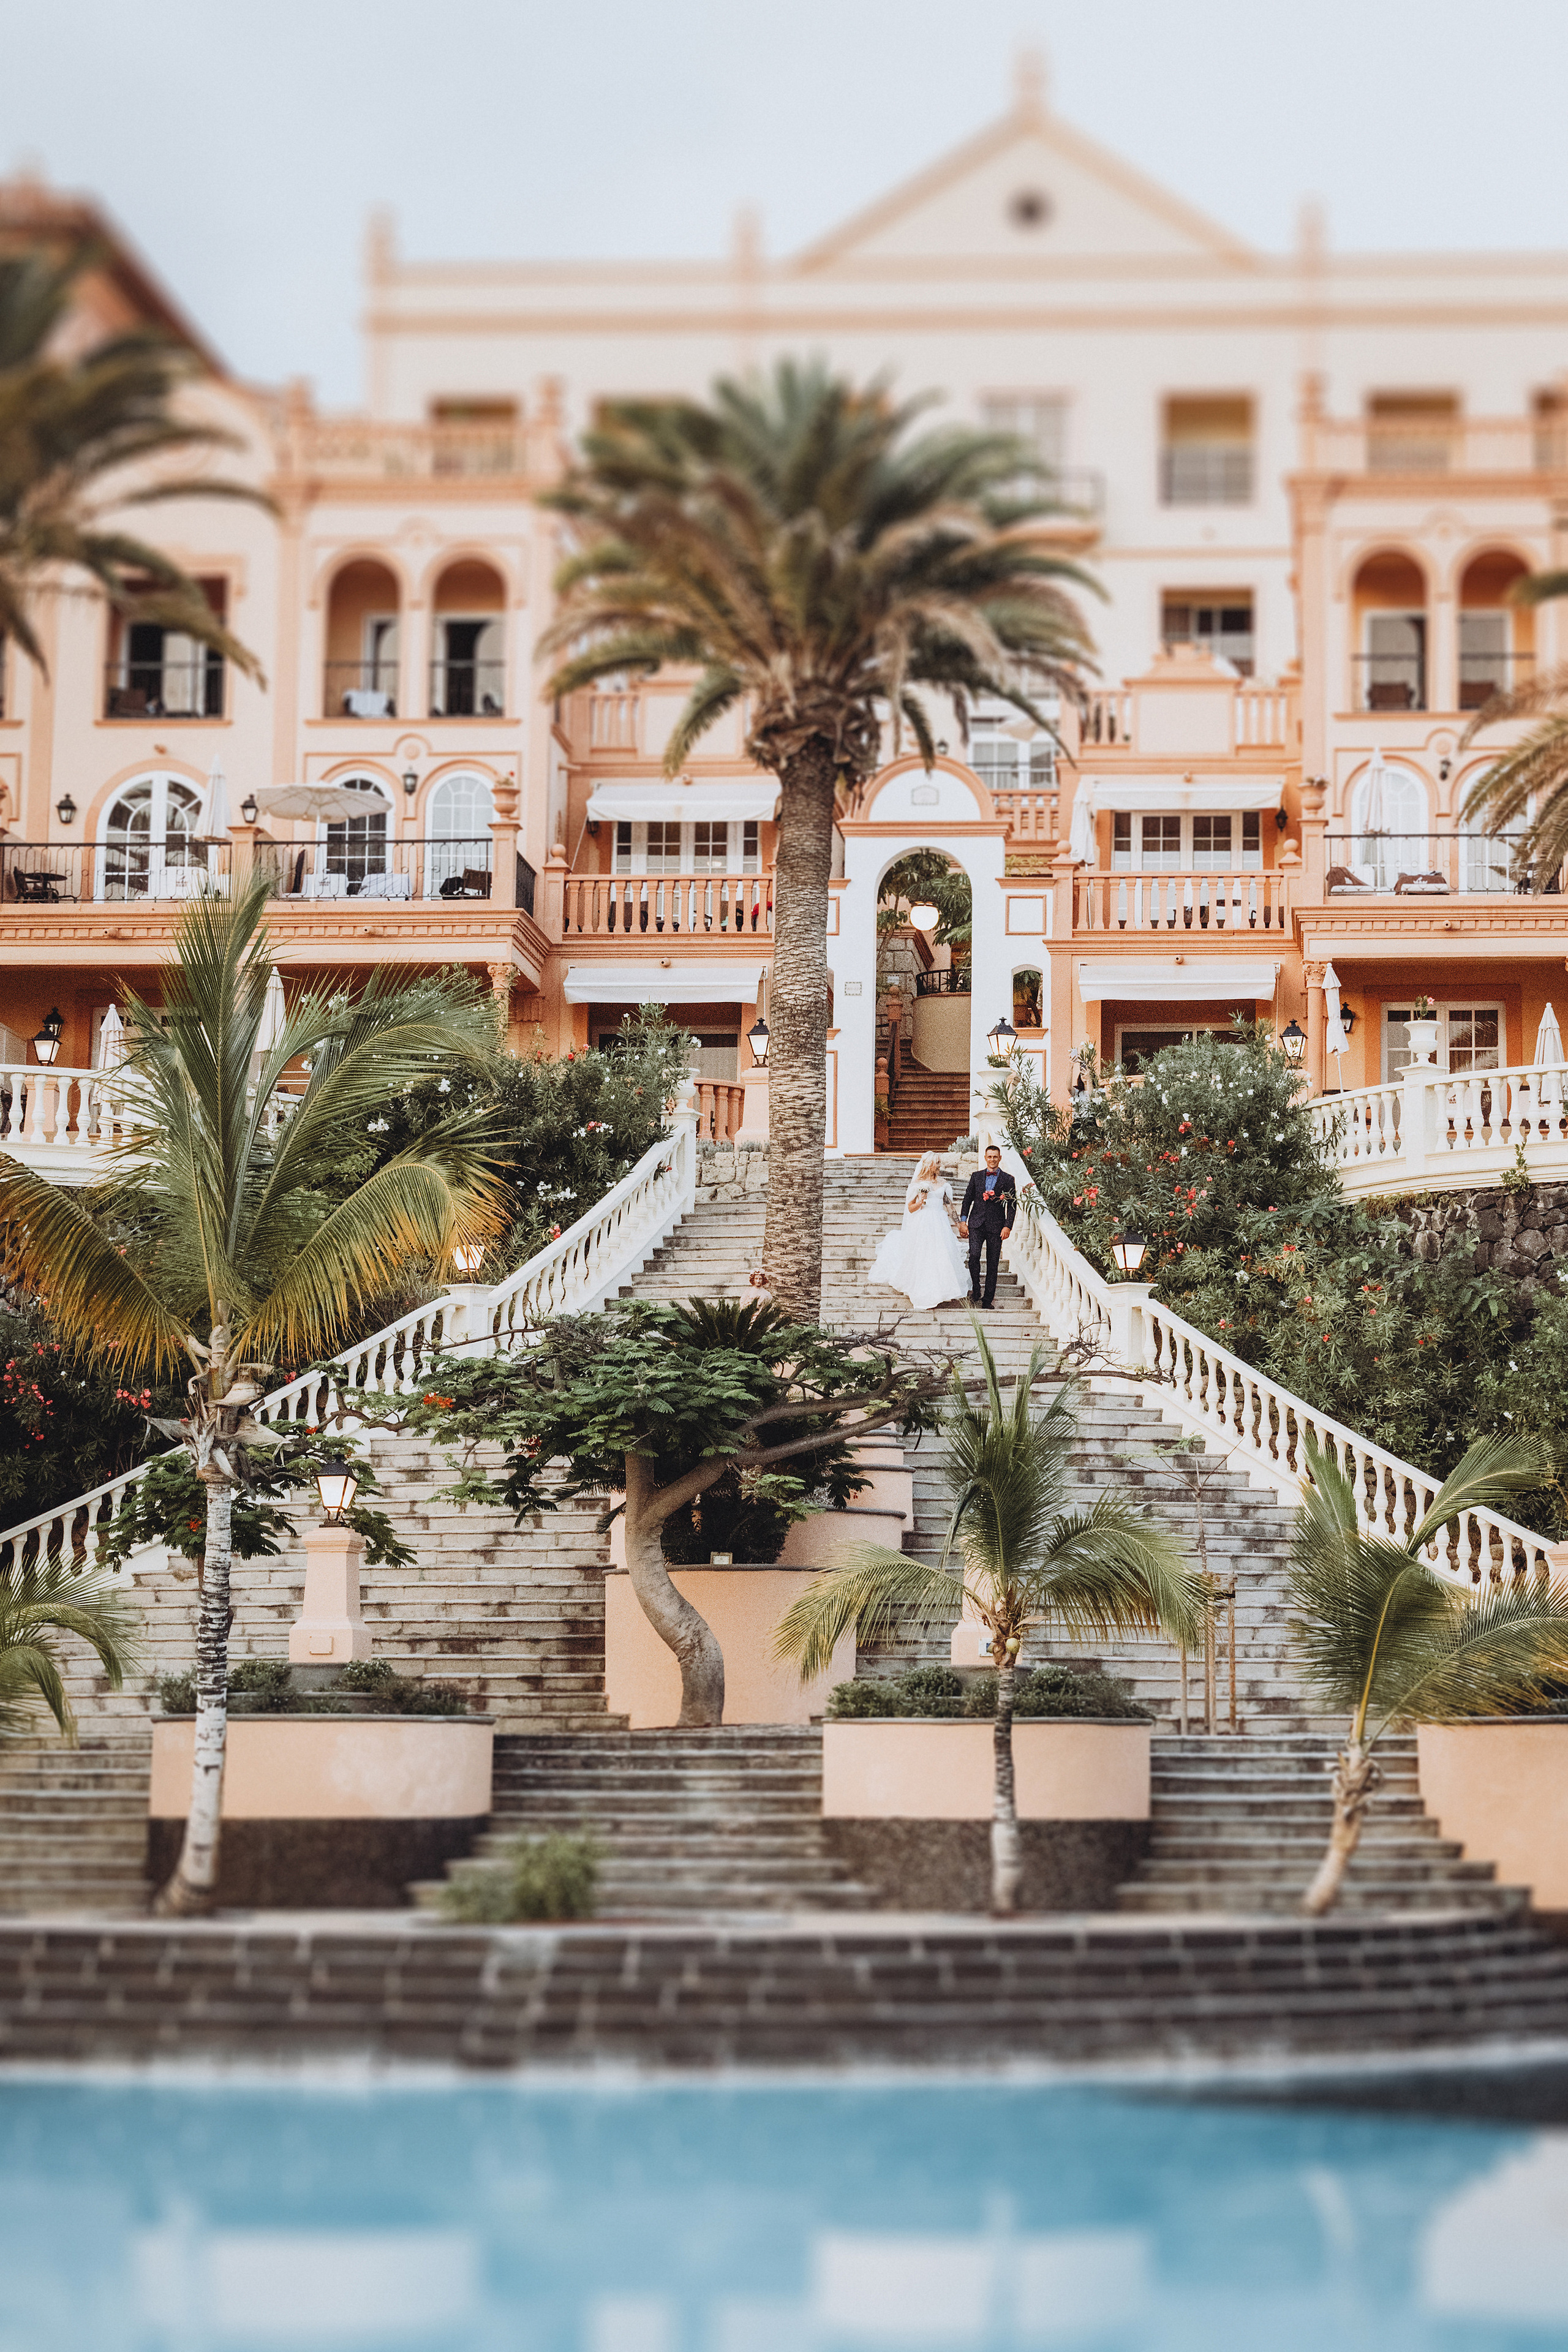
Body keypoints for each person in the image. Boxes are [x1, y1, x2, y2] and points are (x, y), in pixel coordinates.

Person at [869, 1152, 971, 1311]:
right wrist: (921, 1201)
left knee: (941, 1255)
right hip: (923, 1223)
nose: (940, 1165)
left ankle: (942, 1290)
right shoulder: (917, 1184)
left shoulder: (943, 1183)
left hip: (940, 1223)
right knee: (924, 1256)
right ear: (930, 1165)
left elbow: (949, 1207)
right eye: (937, 1163)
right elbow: (910, 1208)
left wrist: (959, 1225)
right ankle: (925, 1292)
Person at [958, 1145, 1017, 1308]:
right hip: (976, 1224)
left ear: (1000, 1158)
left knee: (993, 1263)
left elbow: (1012, 1205)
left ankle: (987, 1300)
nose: (992, 1160)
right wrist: (963, 1221)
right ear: (985, 1158)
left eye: (995, 1157)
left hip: (996, 1227)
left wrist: (1008, 1226)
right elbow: (967, 1200)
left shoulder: (1008, 1179)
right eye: (989, 1157)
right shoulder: (976, 1177)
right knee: (974, 1256)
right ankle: (976, 1290)